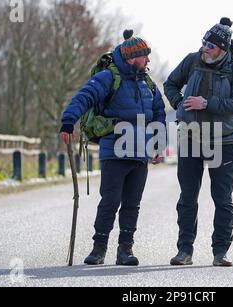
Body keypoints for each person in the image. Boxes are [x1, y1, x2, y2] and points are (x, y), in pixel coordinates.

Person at [60, 30, 166, 266]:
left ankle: (125, 250)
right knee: (110, 200)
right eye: (144, 56)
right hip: (115, 150)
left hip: (140, 153)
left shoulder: (148, 82)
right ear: (131, 58)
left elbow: (158, 112)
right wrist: (68, 122)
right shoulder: (109, 77)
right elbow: (84, 97)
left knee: (132, 203)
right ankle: (99, 249)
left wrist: (159, 144)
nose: (148, 60)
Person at [164, 17, 233, 267]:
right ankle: (184, 251)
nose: (204, 48)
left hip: (223, 140)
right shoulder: (192, 61)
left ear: (222, 49)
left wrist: (206, 104)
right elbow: (170, 84)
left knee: (222, 198)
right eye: (203, 43)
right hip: (190, 136)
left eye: (210, 45)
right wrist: (180, 104)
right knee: (187, 196)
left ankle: (220, 252)